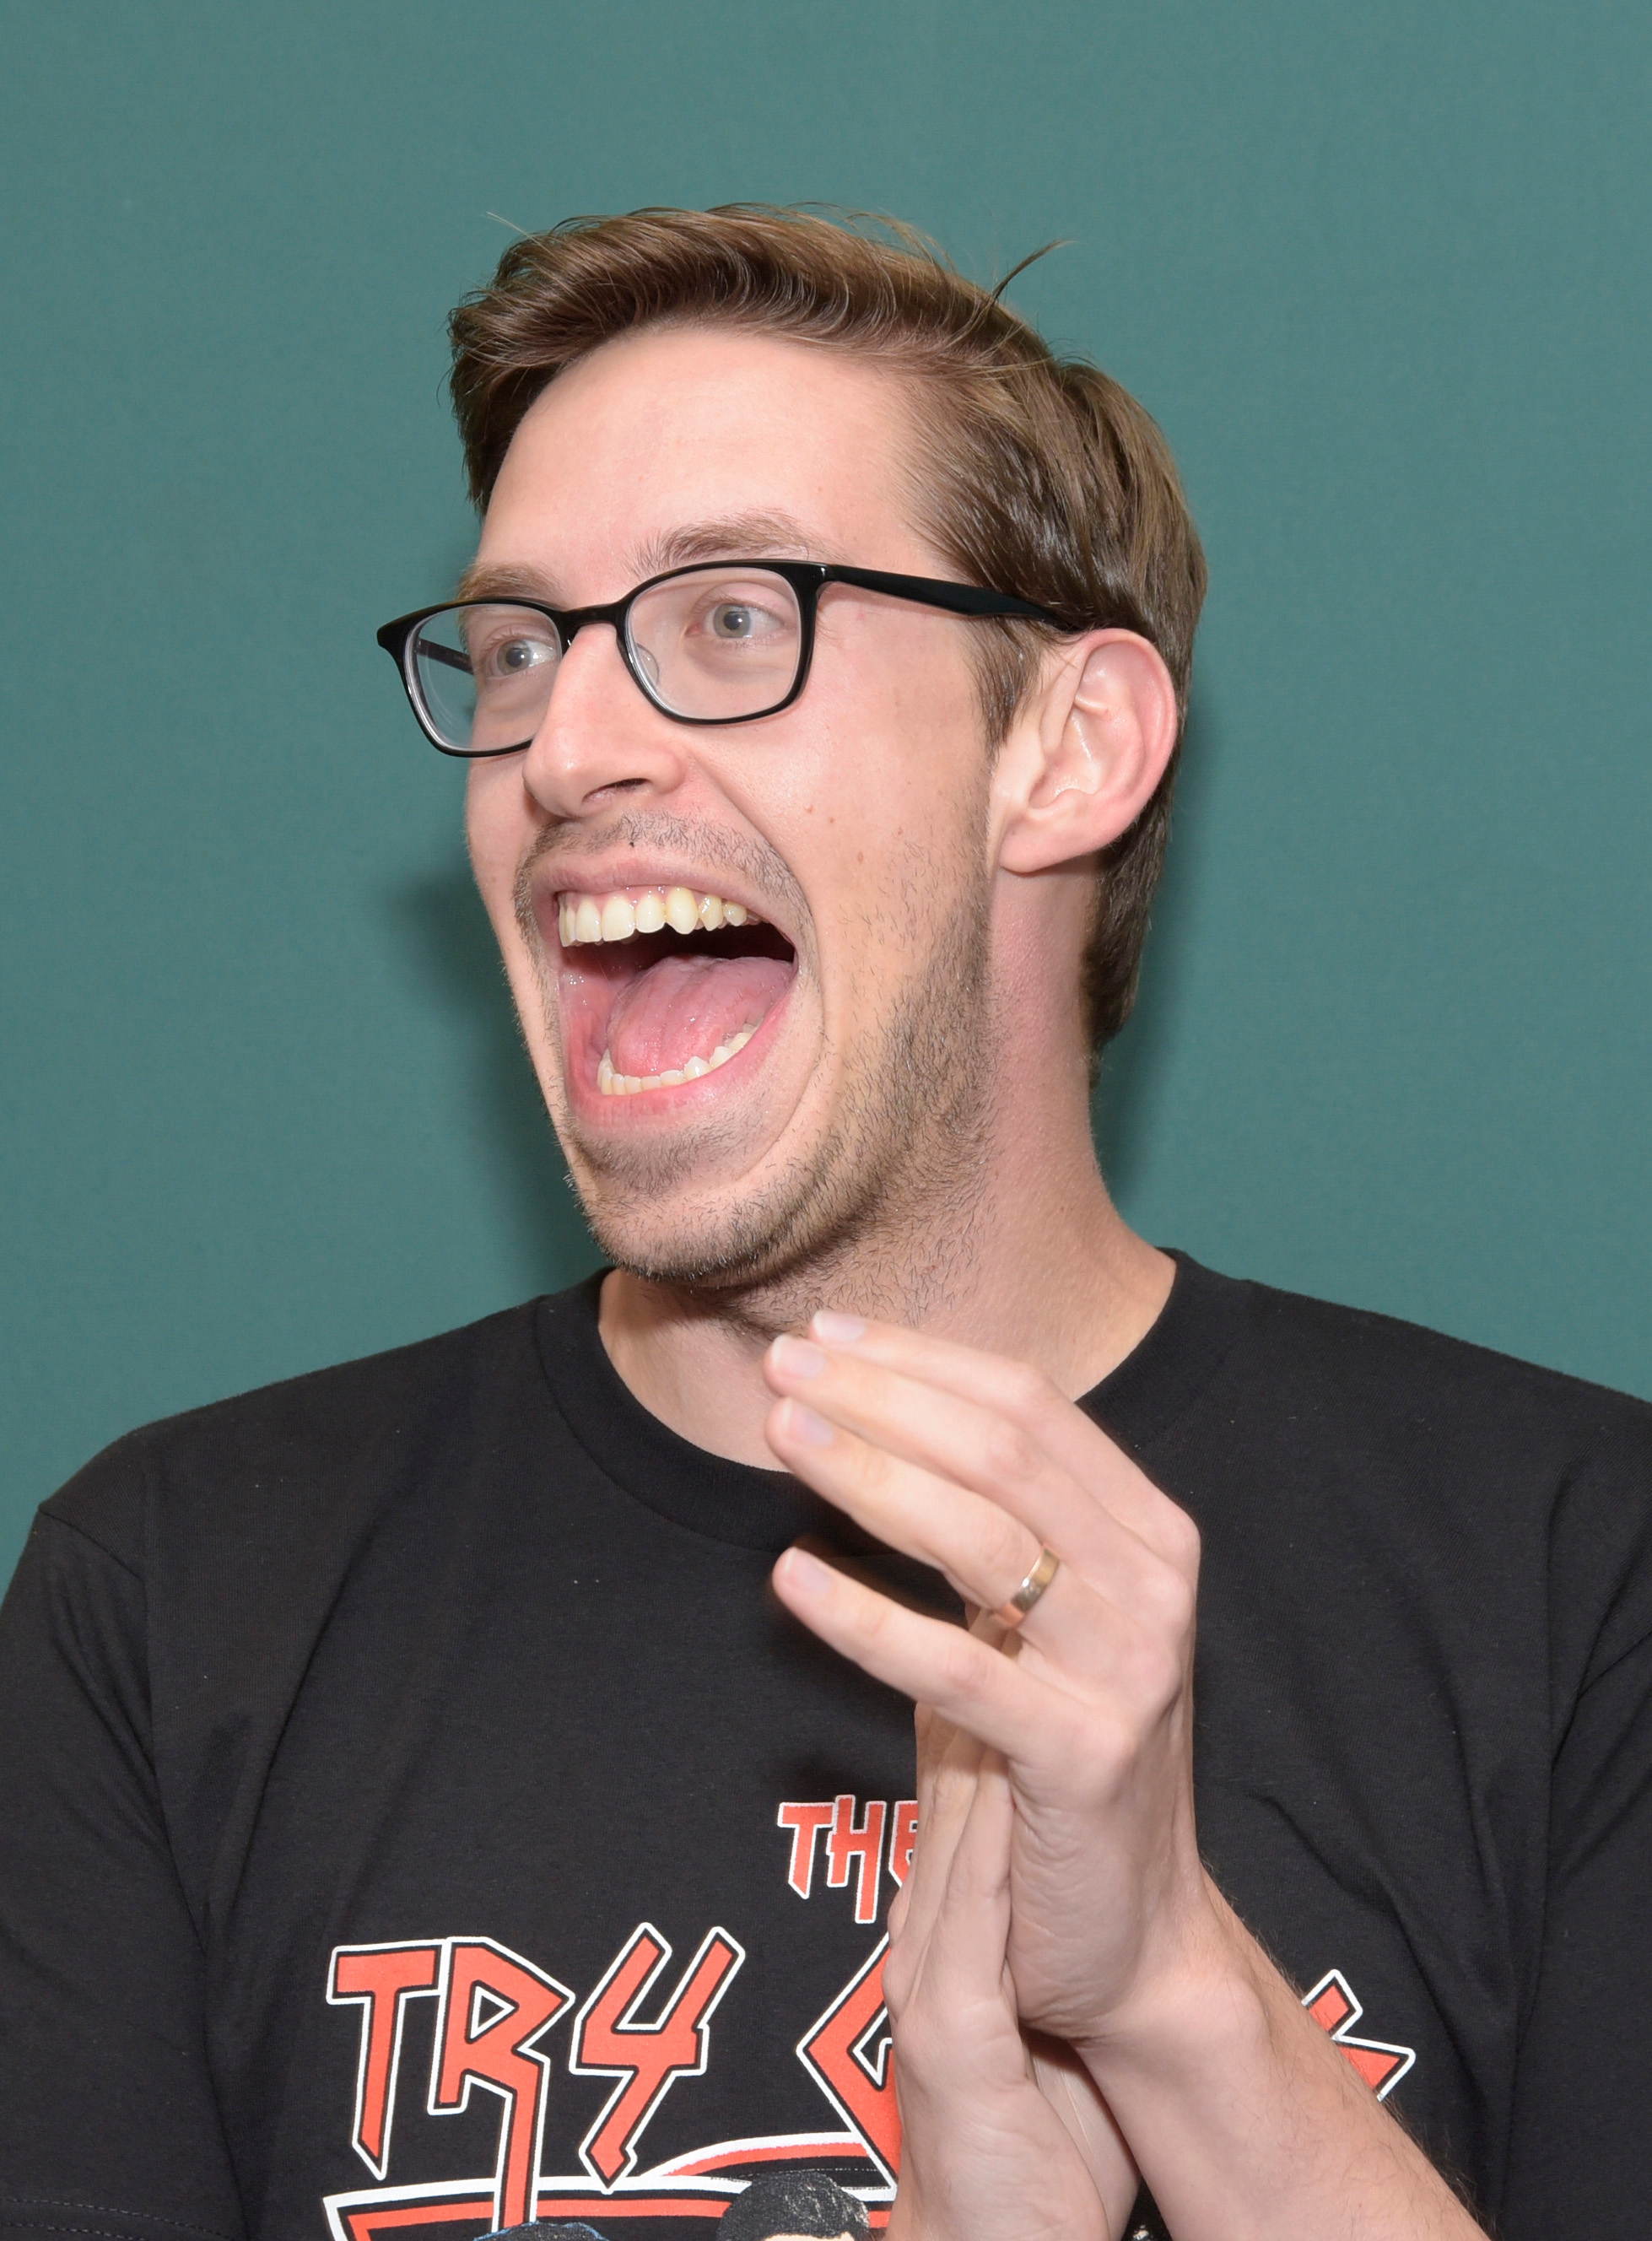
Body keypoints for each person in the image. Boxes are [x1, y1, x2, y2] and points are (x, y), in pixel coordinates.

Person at [1, 204, 1648, 2241]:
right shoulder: (173, 1600)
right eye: (517, 649)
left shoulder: (1578, 1581)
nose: (566, 748)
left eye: (729, 618)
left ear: (1065, 747)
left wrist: (1172, 2000)